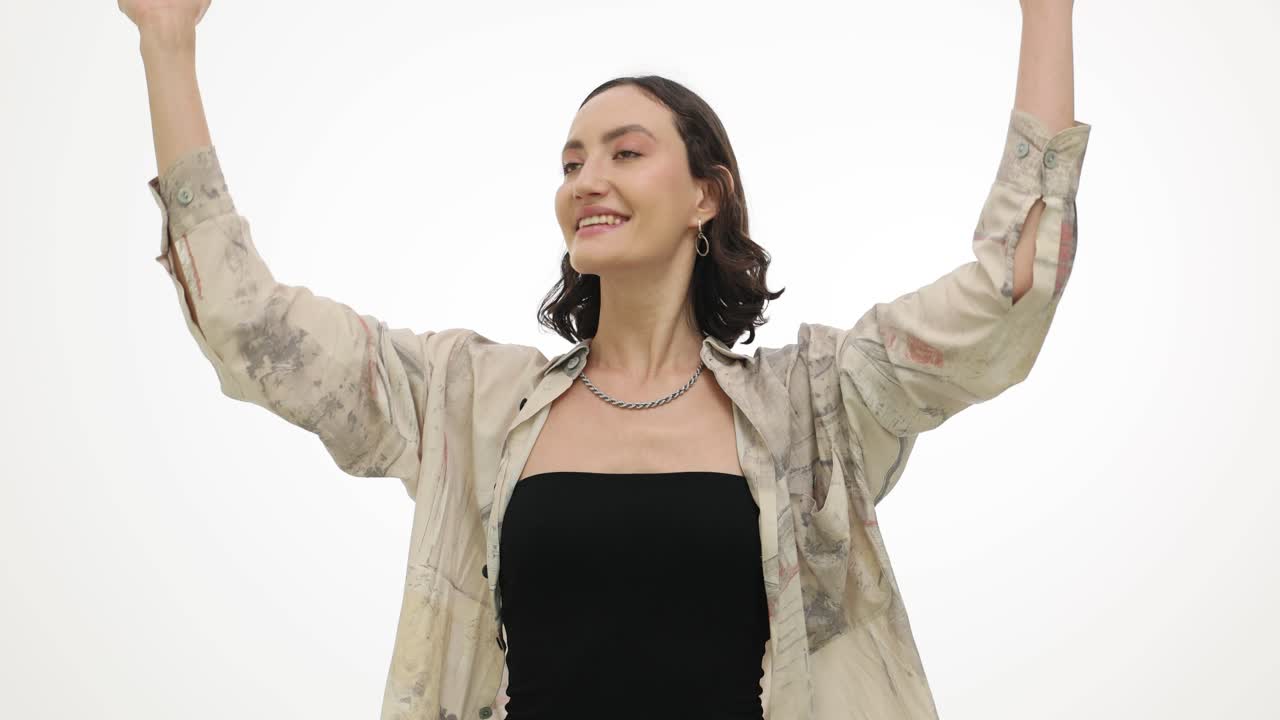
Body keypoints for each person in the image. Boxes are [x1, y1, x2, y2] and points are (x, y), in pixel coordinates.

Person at [122, 1, 1090, 718]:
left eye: (624, 153)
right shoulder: (468, 402)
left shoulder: (814, 408)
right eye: (571, 160)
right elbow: (250, 327)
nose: (586, 178)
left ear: (705, 196)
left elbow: (1012, 286)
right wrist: (167, 43)